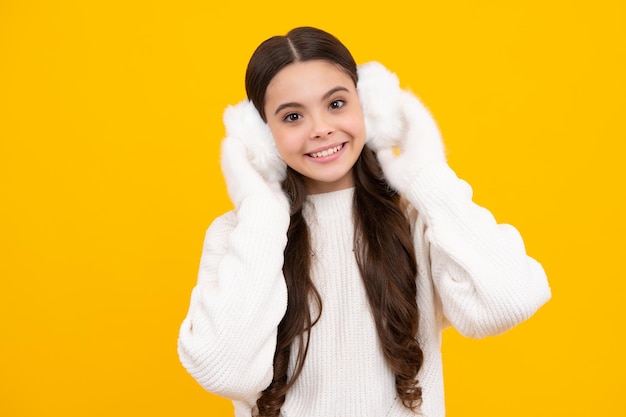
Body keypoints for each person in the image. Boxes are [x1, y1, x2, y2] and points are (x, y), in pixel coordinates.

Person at [177, 26, 551, 417]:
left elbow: (510, 300)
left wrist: (428, 175)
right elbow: (226, 373)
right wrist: (260, 213)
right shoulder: (240, 237)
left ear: (369, 105)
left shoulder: (416, 220)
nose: (320, 128)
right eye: (292, 116)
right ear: (260, 136)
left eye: (336, 104)